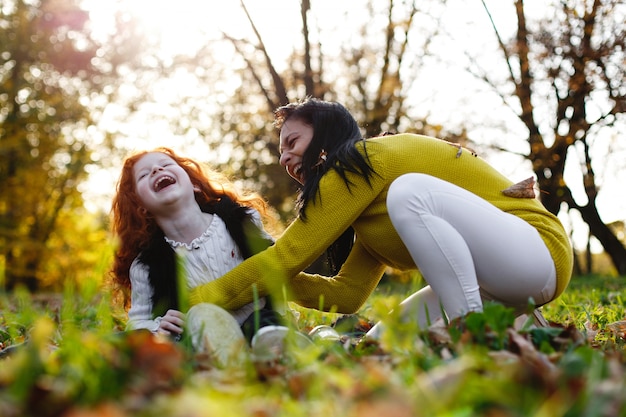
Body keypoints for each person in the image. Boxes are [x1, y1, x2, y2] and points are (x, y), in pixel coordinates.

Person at [186, 98, 573, 339]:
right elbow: (348, 295)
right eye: (281, 149)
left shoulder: (361, 163)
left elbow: (286, 256)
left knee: (411, 192)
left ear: (326, 137)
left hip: (536, 253)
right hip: (497, 282)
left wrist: (196, 297)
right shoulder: (369, 209)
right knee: (380, 343)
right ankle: (519, 324)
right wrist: (265, 284)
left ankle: (473, 332)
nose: (284, 158)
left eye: (293, 142)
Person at [110, 147, 309, 367]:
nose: (157, 169)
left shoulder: (241, 221)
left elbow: (276, 270)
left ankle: (279, 349)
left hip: (260, 322)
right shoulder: (146, 265)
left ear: (193, 183)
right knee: (124, 343)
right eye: (144, 175)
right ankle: (227, 366)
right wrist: (156, 327)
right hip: (198, 342)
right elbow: (137, 321)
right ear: (140, 207)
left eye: (166, 165)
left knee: (264, 324)